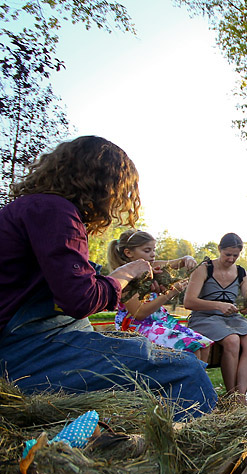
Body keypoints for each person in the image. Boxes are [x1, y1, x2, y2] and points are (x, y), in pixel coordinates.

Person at [0, 136, 217, 419]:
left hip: (38, 343)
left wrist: (129, 277)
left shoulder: (32, 208)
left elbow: (66, 285)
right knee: (185, 371)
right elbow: (80, 299)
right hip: (26, 350)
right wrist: (127, 273)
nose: (116, 202)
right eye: (119, 190)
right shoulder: (55, 212)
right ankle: (194, 457)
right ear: (102, 183)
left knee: (150, 358)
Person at [107, 229, 213, 363]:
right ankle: (188, 382)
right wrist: (170, 293)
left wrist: (188, 259)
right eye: (147, 251)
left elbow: (177, 262)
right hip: (138, 327)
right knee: (192, 348)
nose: (152, 255)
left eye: (154, 250)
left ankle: (197, 382)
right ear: (129, 253)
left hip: (160, 321)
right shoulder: (126, 279)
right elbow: (139, 313)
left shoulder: (152, 266)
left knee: (203, 344)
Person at [184, 233, 247, 400]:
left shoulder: (241, 273)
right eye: (228, 255)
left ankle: (241, 396)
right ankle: (231, 396)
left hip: (231, 319)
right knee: (232, 340)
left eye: (235, 255)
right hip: (204, 318)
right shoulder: (204, 268)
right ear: (219, 249)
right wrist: (218, 305)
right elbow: (189, 301)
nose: (231, 259)